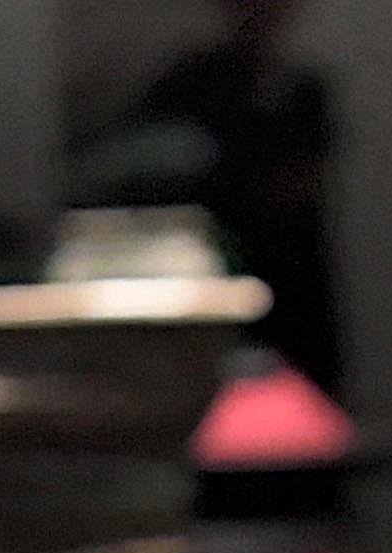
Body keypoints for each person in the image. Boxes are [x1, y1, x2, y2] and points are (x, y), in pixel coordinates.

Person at [119, 0, 344, 397]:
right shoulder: (192, 83)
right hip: (215, 271)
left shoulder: (304, 89)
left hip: (293, 281)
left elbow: (306, 176)